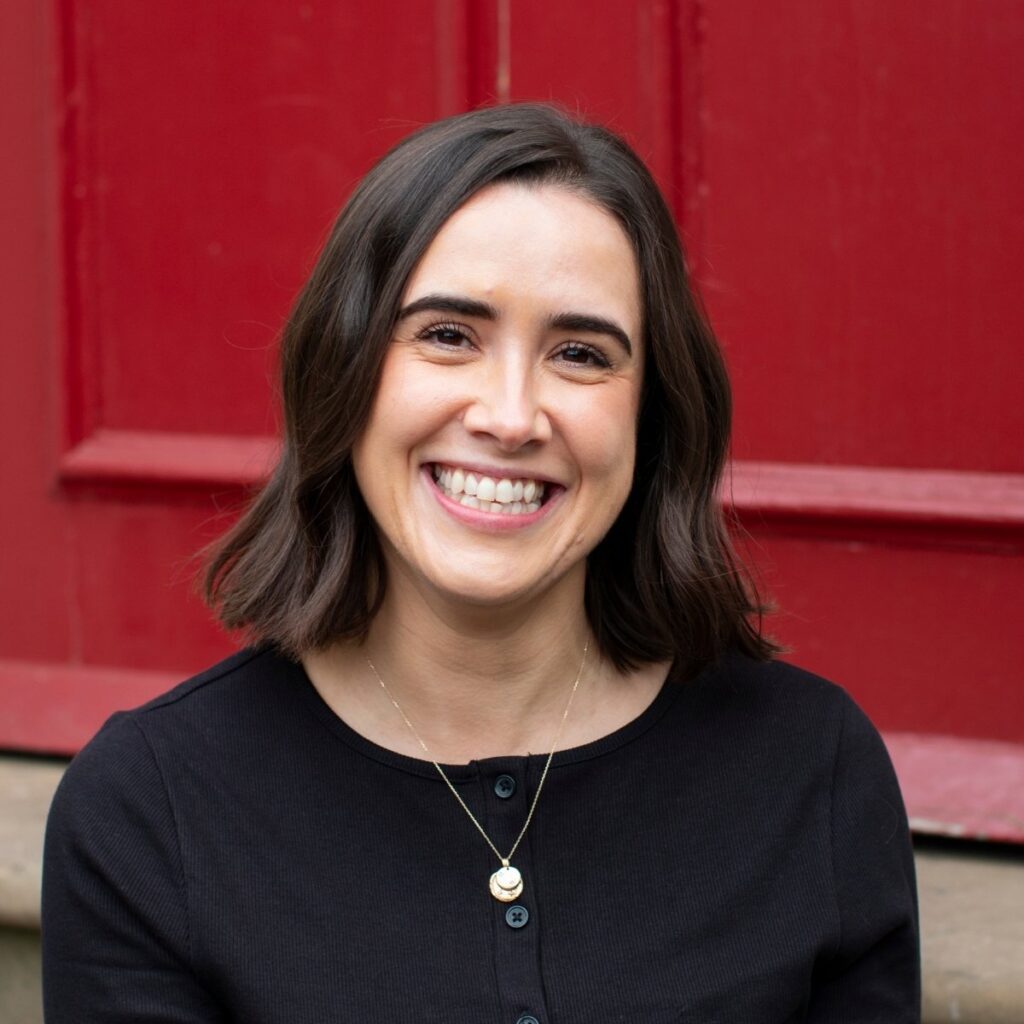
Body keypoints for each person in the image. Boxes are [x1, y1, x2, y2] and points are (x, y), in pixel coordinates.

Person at [42, 103, 920, 1022]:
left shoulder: (808, 769)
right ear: (342, 372)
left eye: (580, 354)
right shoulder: (152, 811)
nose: (510, 416)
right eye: (449, 335)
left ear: (651, 415)